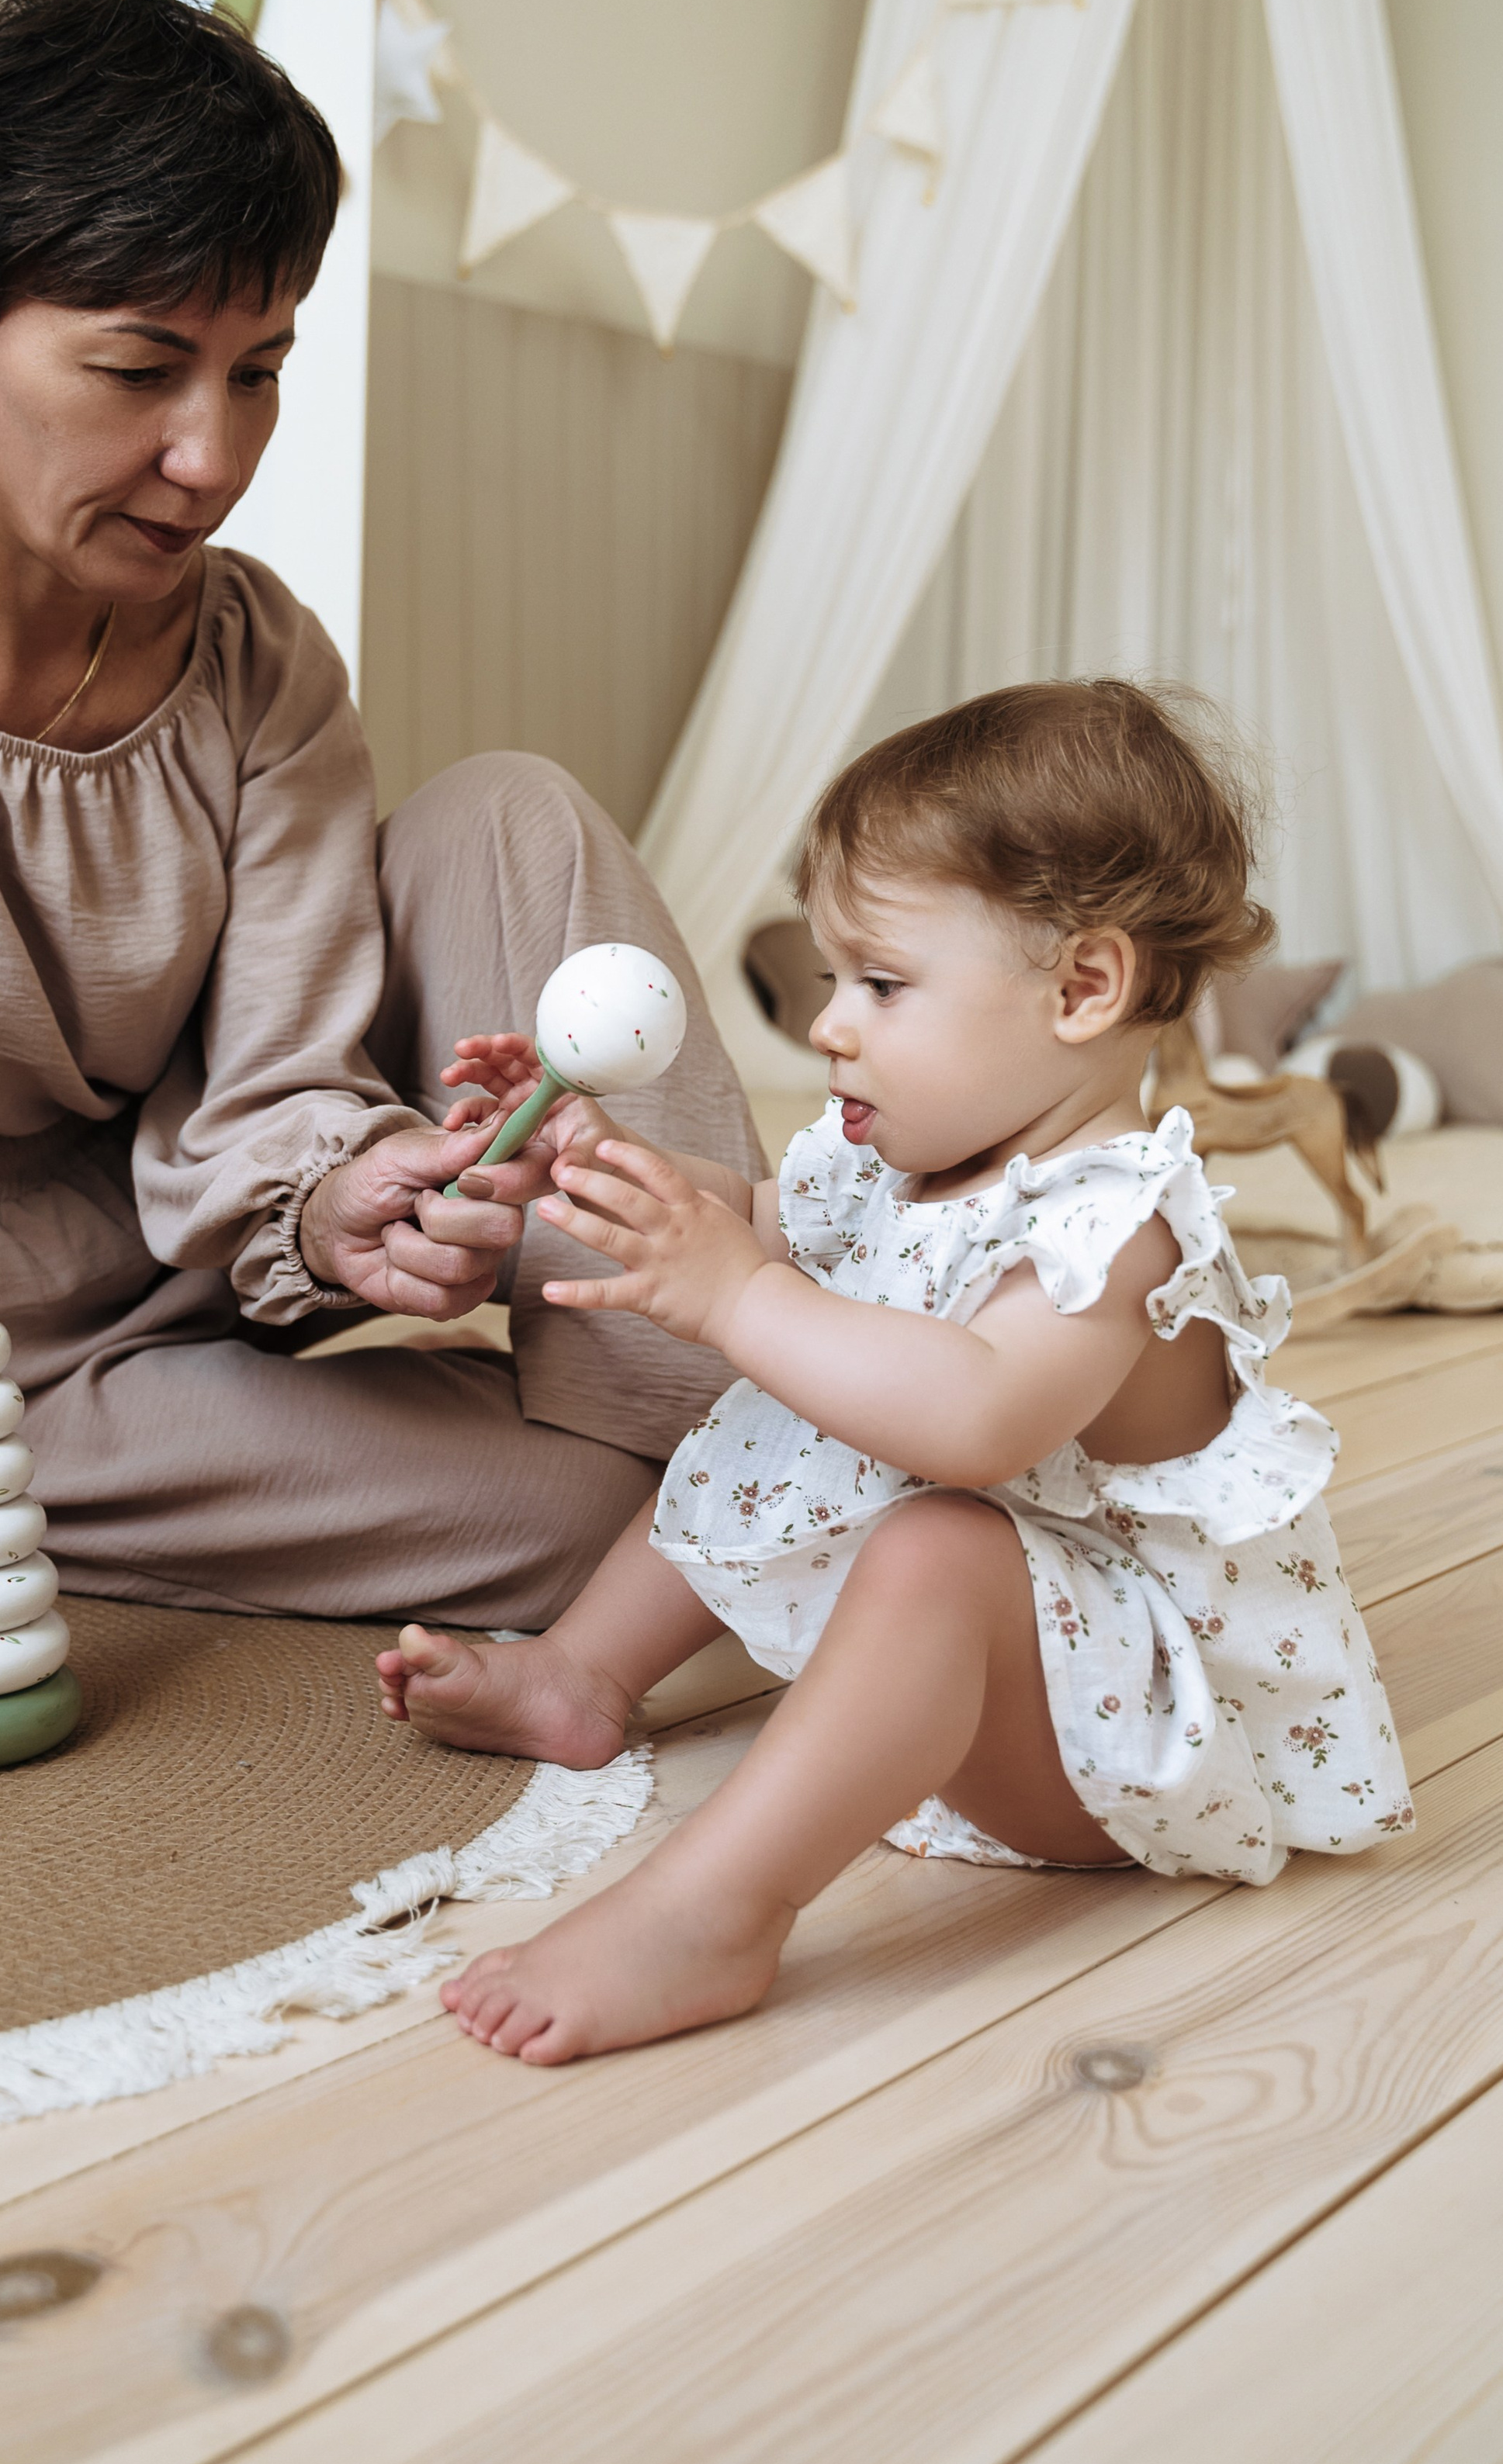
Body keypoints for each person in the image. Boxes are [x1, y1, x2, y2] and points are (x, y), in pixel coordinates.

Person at [0, 0, 761, 1801]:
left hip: (200, 1244)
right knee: (611, 1530)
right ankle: (707, 1485)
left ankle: (747, 1397)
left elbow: (274, 1075)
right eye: (137, 368)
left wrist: (342, 1196)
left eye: (256, 368)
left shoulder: (259, 653)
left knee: (512, 806)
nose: (212, 454)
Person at [379, 680, 1414, 2064]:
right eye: (830, 980)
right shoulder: (906, 1161)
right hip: (1006, 1678)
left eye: (881, 983)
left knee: (930, 1528)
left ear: (1082, 988)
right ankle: (580, 1673)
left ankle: (714, 1911)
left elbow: (978, 1421)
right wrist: (592, 1159)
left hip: (1121, 1728)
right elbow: (755, 1226)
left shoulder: (1118, 1230)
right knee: (784, 1393)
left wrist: (742, 1297)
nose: (828, 1026)